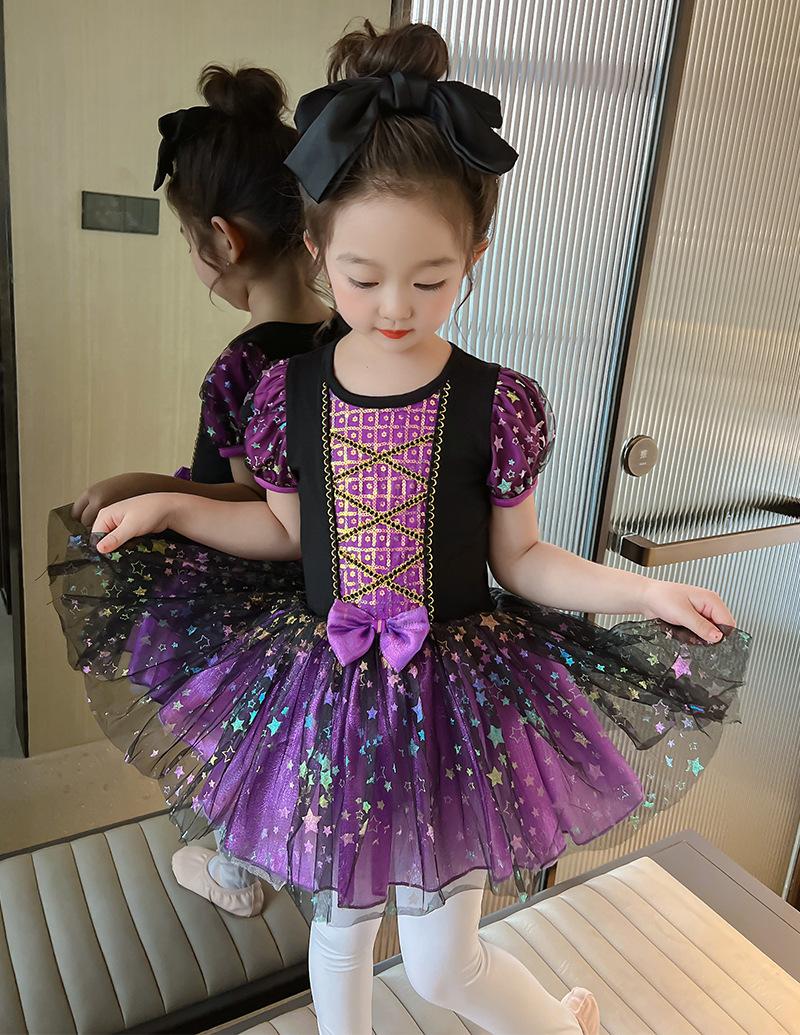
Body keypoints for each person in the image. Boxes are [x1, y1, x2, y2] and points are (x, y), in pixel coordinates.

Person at [49, 21, 750, 1035]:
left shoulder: (496, 401)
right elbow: (285, 535)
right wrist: (170, 505)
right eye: (361, 276)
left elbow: (523, 559)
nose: (392, 306)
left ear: (474, 255)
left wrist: (645, 589)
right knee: (336, 941)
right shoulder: (285, 394)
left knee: (441, 965)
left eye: (429, 280)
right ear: (315, 249)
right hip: (327, 694)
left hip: (453, 706)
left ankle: (564, 1026)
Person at [56, 63, 345, 918]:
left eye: (188, 240)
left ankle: (238, 869)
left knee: (228, 730)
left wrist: (157, 495)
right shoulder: (343, 337)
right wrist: (146, 480)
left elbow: (258, 510)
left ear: (222, 239)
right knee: (292, 732)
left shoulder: (245, 367)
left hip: (249, 588)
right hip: (329, 587)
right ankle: (286, 852)